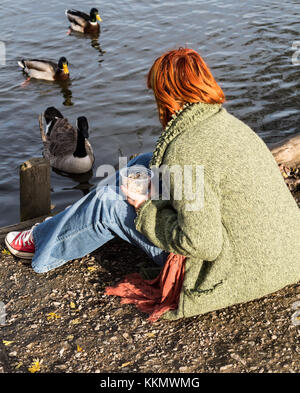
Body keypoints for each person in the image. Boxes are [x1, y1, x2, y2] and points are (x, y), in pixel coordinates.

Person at [5, 48, 300, 321]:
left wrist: (146, 209)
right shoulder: (232, 126)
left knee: (109, 205)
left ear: (168, 95)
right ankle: (53, 227)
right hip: (285, 256)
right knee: (145, 162)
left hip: (231, 274)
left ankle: (42, 247)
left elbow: (203, 244)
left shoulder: (186, 149)